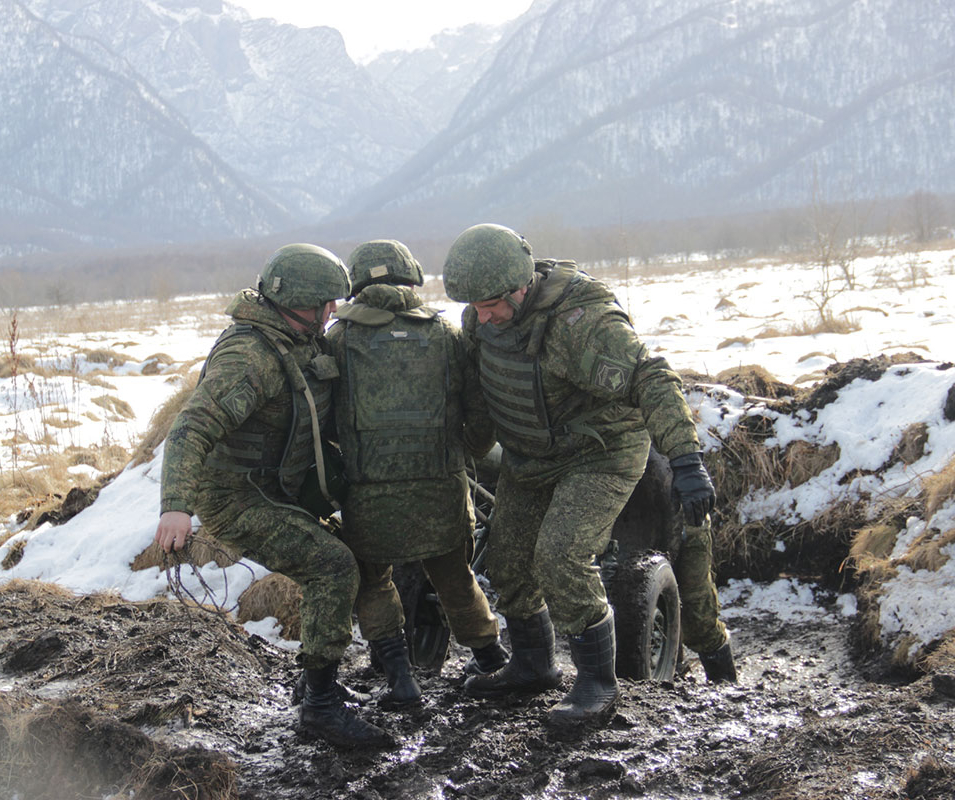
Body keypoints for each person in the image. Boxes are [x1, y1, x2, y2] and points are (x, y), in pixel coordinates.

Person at [441, 223, 736, 730]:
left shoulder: (580, 322)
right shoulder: (481, 318)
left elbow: (651, 376)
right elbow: (476, 383)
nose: (481, 316)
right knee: (508, 562)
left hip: (601, 453)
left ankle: (599, 683)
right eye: (474, 305)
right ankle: (533, 664)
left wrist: (686, 461)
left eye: (490, 303)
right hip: (531, 455)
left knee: (561, 556)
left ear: (520, 285)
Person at [155, 243, 392, 748]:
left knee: (354, 554)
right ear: (295, 301)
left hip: (280, 487)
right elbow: (191, 428)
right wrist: (176, 505)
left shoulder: (298, 337)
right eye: (324, 304)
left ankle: (314, 681)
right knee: (333, 567)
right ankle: (322, 709)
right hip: (235, 496)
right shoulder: (251, 356)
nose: (332, 313)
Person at [325, 240, 507, 707]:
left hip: (370, 500)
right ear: (411, 280)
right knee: (457, 580)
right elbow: (481, 410)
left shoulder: (338, 340)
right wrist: (461, 454)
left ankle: (401, 679)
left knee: (374, 582)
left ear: (357, 284)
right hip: (442, 493)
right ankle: (493, 662)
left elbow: (319, 419)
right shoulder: (445, 335)